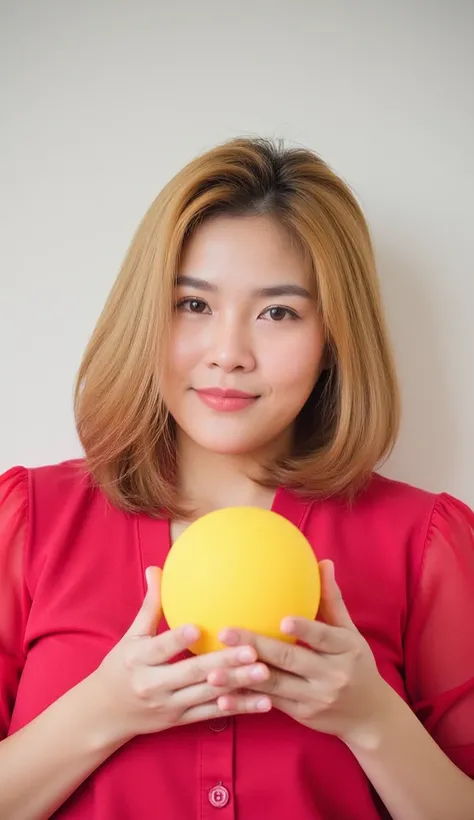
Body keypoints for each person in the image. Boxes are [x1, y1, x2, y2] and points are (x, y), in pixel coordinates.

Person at [0, 137, 473, 820]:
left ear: (334, 338)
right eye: (194, 305)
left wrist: (373, 720)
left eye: (278, 312)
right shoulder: (29, 522)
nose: (229, 354)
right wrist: (103, 710)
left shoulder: (424, 544)